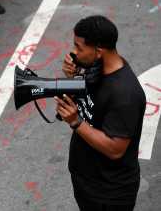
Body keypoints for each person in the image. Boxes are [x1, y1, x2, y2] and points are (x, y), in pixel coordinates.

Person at [57, 15, 146, 211]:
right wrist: (71, 78)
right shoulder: (96, 67)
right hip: (86, 178)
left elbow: (115, 149)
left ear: (98, 51)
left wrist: (76, 122)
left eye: (79, 47)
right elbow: (86, 102)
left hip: (109, 193)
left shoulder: (125, 95)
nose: (74, 53)